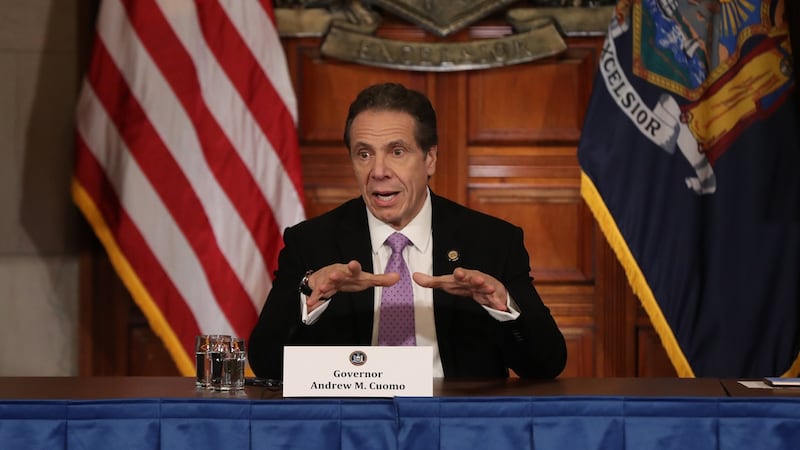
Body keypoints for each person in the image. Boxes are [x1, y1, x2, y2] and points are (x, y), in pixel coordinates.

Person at [248, 82, 566, 379]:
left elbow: (546, 365)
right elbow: (266, 364)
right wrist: (309, 297)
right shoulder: (312, 243)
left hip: (454, 417)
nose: (379, 171)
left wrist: (503, 306)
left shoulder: (491, 242)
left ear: (430, 159)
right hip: (354, 416)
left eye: (397, 152)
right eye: (364, 154)